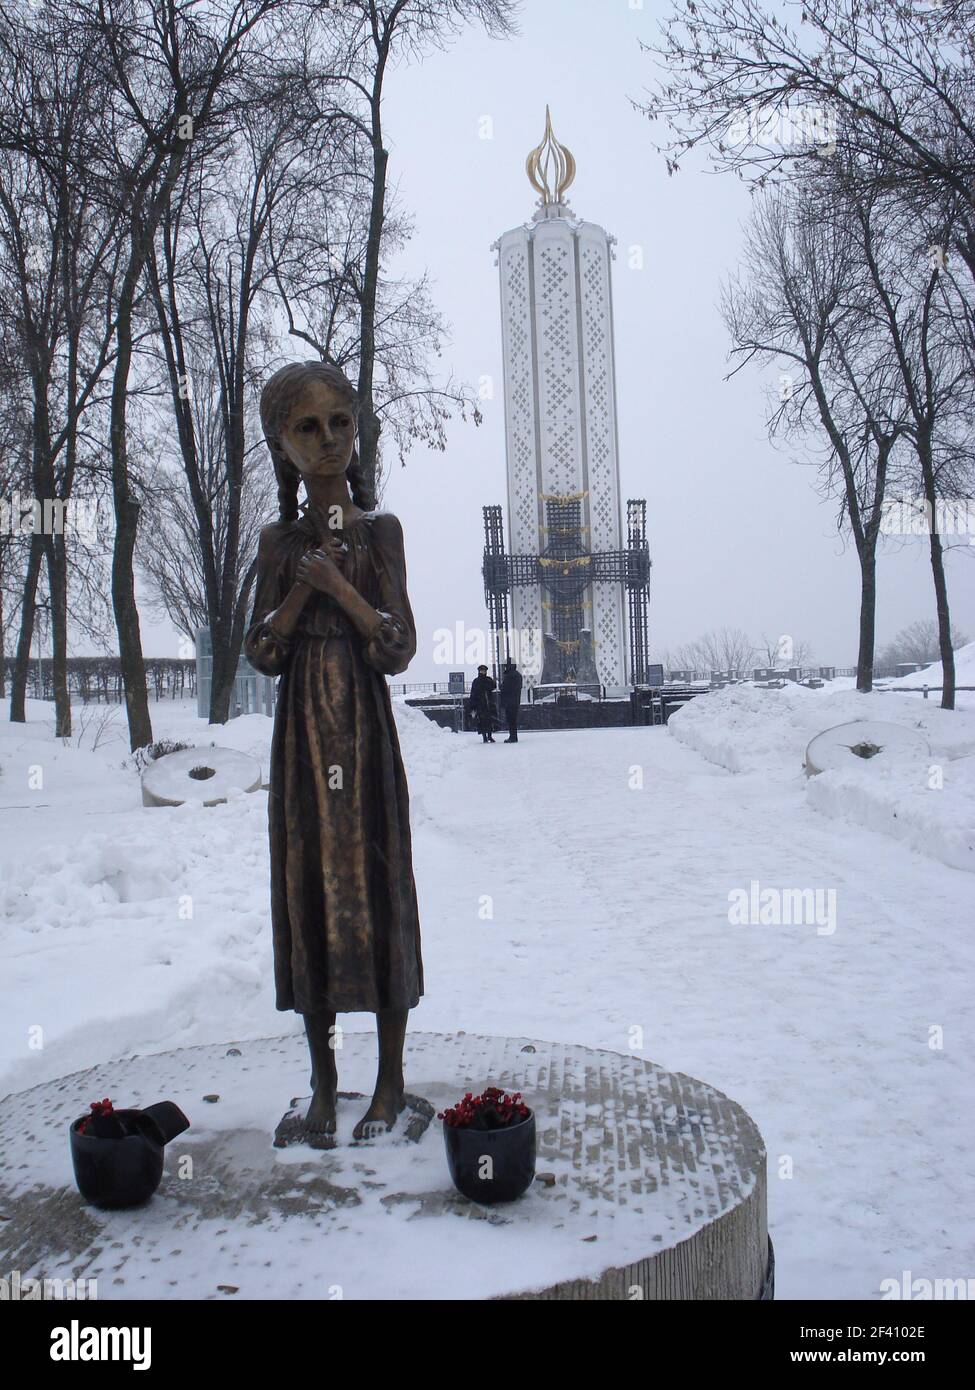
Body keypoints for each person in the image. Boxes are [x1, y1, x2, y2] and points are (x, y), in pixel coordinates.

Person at [245, 360, 422, 1145]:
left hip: (364, 727)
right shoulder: (277, 542)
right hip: (301, 743)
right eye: (307, 428)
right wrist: (300, 592)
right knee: (307, 888)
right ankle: (322, 1087)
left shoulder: (380, 533)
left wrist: (346, 594)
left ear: (357, 430)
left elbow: (399, 645)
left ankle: (389, 1083)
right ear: (281, 444)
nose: (326, 442)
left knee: (378, 886)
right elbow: (260, 650)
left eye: (339, 423)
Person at [467, 664, 497, 743]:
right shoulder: (476, 681)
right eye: (482, 671)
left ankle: (490, 736)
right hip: (480, 704)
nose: (483, 672)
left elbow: (494, 686)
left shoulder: (488, 679)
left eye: (484, 671)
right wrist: (472, 706)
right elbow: (473, 693)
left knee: (490, 720)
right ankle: (484, 737)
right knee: (482, 721)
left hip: (489, 703)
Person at [500, 658, 523, 742]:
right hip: (516, 701)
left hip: (509, 702)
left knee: (510, 720)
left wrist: (501, 686)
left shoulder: (509, 676)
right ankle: (513, 736)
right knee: (513, 720)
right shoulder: (518, 675)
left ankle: (512, 737)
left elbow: (505, 688)